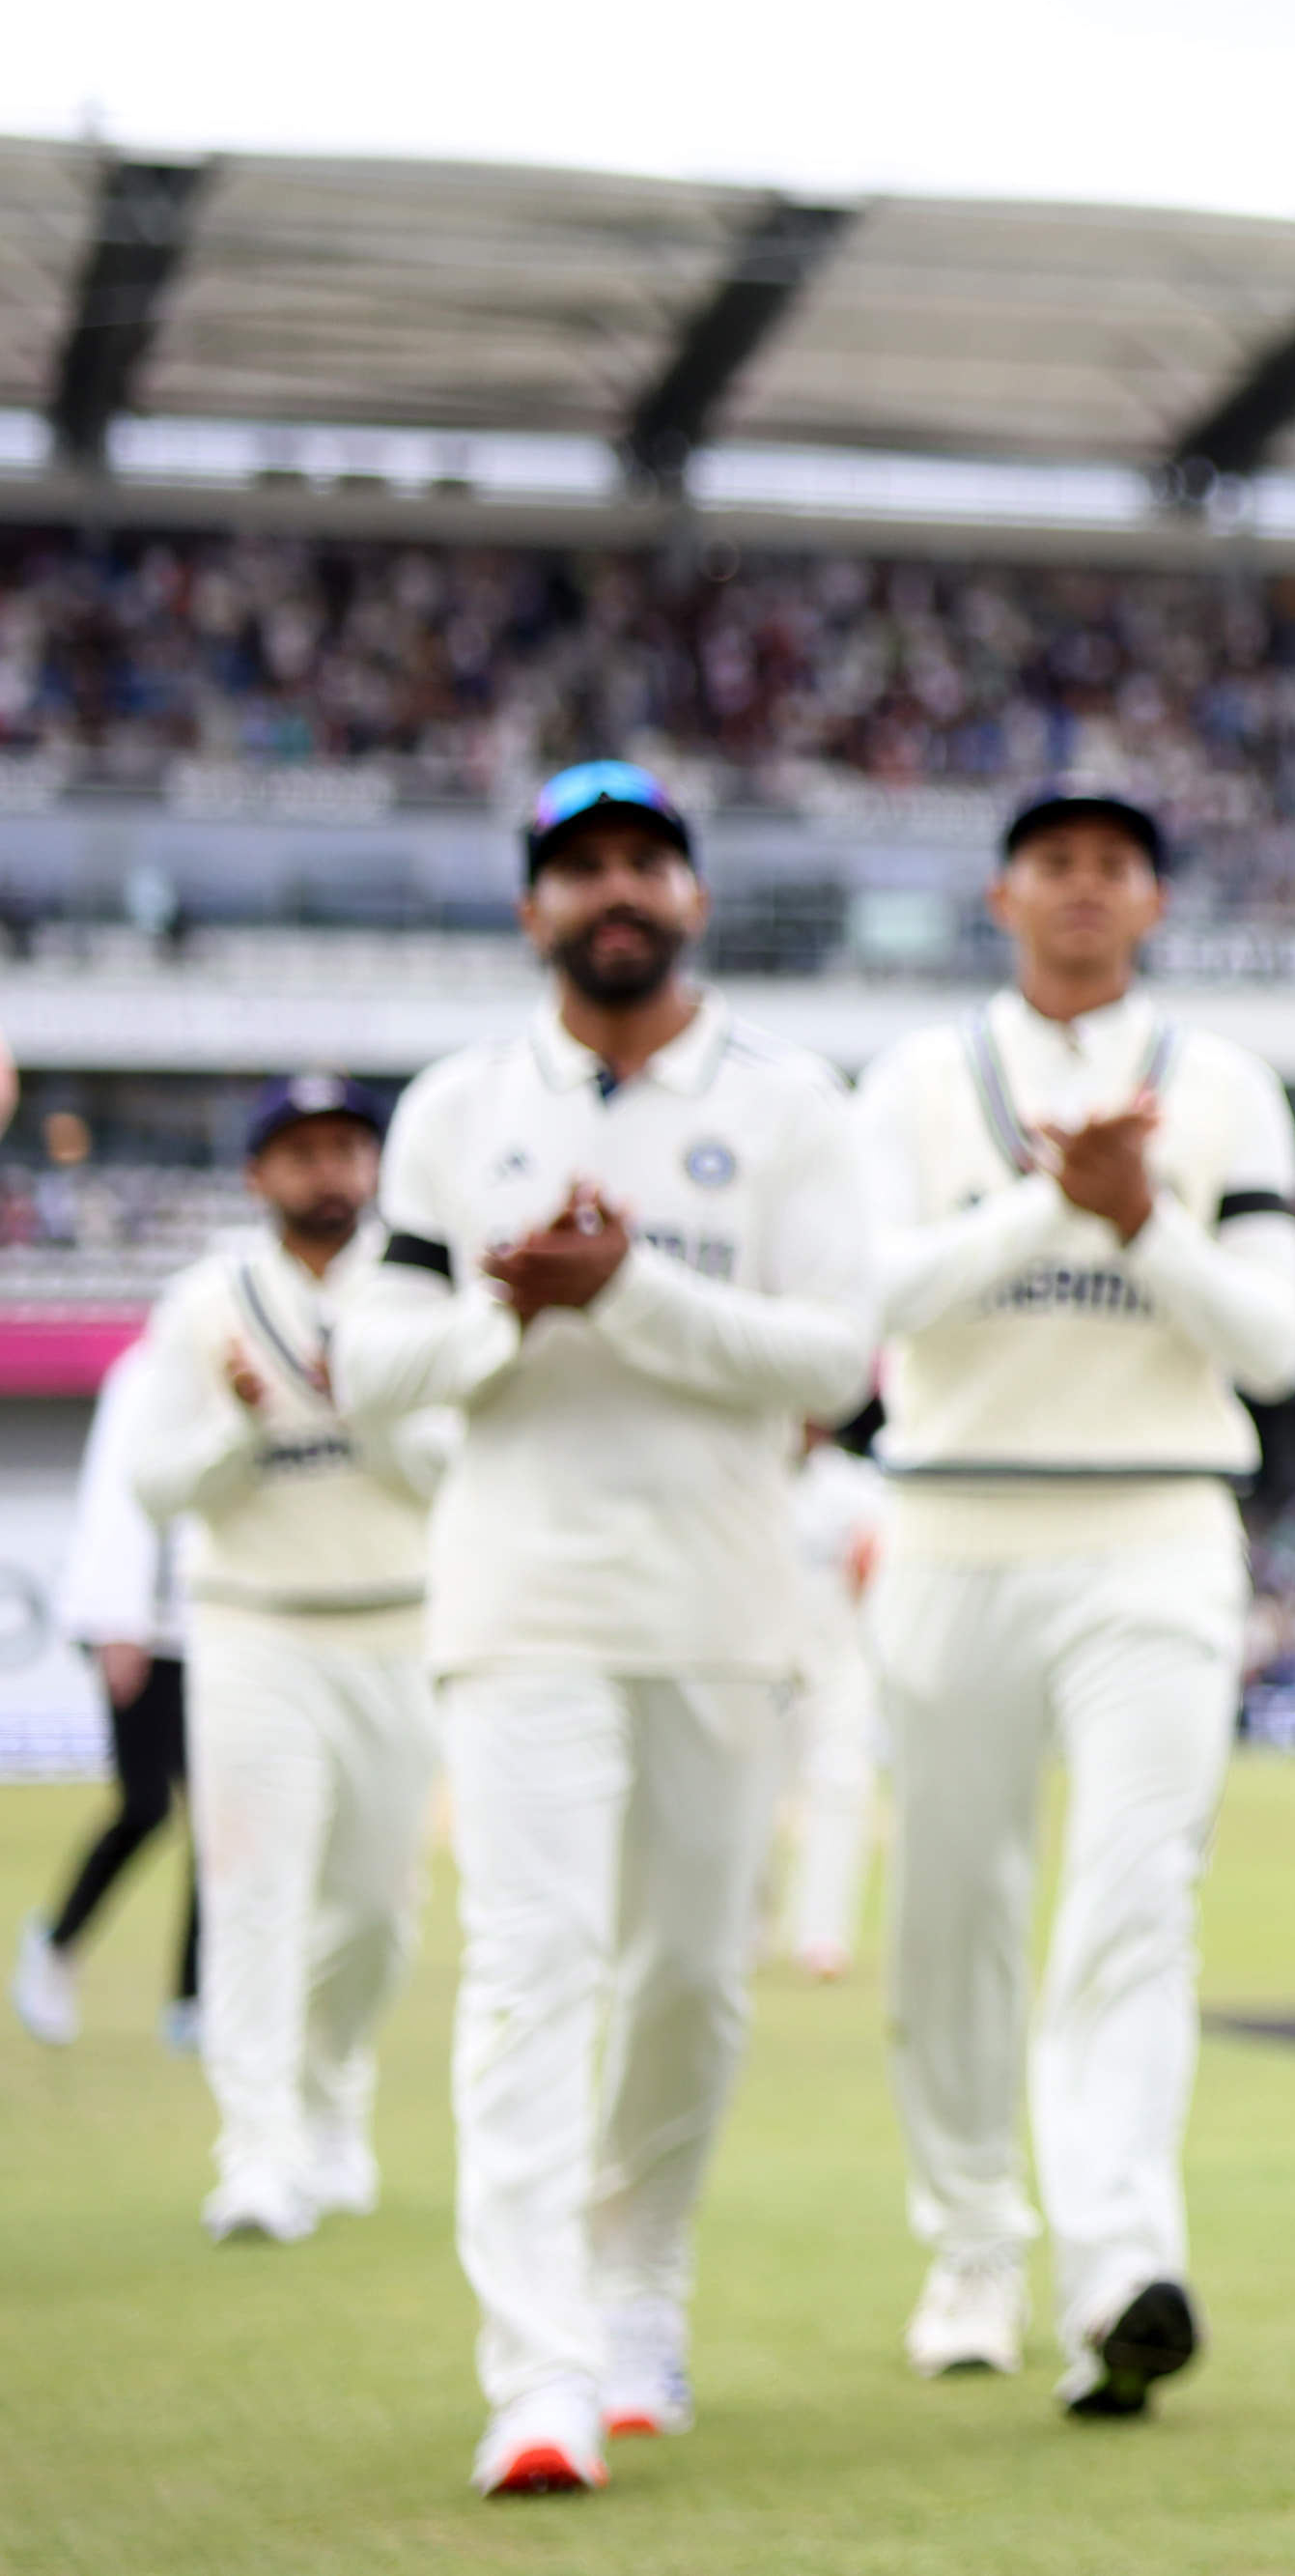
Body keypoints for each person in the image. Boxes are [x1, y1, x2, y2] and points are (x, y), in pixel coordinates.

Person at [336, 760, 874, 2500]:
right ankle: (541, 2365)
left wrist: (627, 1286)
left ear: (693, 895)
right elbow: (371, 1361)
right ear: (533, 908)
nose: (613, 890)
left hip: (723, 1598)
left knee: (690, 1984)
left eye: (644, 860)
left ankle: (639, 2282)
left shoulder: (790, 1102)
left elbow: (833, 1359)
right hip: (522, 1592)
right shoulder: (456, 1102)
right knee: (529, 1966)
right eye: (579, 869)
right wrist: (513, 1295)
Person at [851, 786, 1295, 2420]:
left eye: (1114, 866)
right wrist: (1055, 1202)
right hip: (957, 1522)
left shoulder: (1225, 1083)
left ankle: (1121, 2259)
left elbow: (1273, 1341)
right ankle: (973, 2240)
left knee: (1135, 1897)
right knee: (951, 1913)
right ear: (1001, 893)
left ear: (1153, 900)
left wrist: (1141, 1216)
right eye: (1055, 864)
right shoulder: (916, 1079)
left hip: (1157, 1521)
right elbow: (866, 1298)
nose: (1083, 891)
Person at [108, 1075, 449, 2239]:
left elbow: (453, 1473)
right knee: (254, 1896)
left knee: (375, 1910)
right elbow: (155, 1485)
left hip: (399, 1623)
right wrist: (240, 1424)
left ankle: (331, 2096)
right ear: (258, 1174)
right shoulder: (206, 1300)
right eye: (301, 1152)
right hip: (253, 1625)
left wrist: (368, 1399)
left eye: (348, 1147)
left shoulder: (417, 1296)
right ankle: (255, 2152)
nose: (328, 1171)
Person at [19, 1341, 198, 2054]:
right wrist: (118, 1618)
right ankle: (58, 1945)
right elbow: (116, 1496)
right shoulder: (153, 1369)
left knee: (225, 1822)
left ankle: (195, 1999)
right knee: (147, 1804)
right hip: (139, 1631)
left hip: (220, 1626)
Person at [770, 1430, 886, 1982]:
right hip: (760, 1658)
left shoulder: (852, 1486)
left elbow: (875, 1566)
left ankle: (821, 1937)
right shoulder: (752, 1471)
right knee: (752, 1792)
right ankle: (748, 1929)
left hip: (838, 1656)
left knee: (841, 1783)